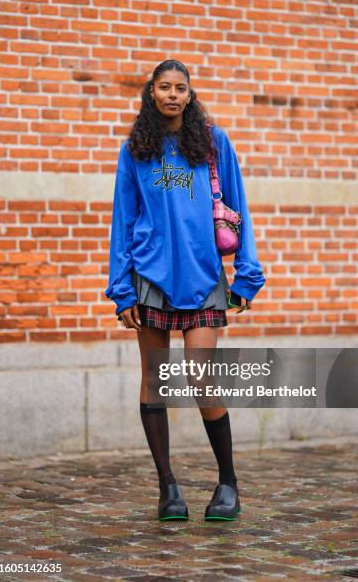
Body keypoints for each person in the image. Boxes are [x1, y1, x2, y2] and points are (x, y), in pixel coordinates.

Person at [104, 59, 266, 521]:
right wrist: (122, 290)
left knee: (201, 377)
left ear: (190, 95)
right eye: (164, 87)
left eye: (180, 87)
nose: (173, 94)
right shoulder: (134, 150)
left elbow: (239, 210)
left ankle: (228, 483)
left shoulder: (214, 143)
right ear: (151, 93)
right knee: (154, 380)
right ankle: (168, 487)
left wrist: (246, 275)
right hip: (150, 280)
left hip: (203, 276)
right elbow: (123, 220)